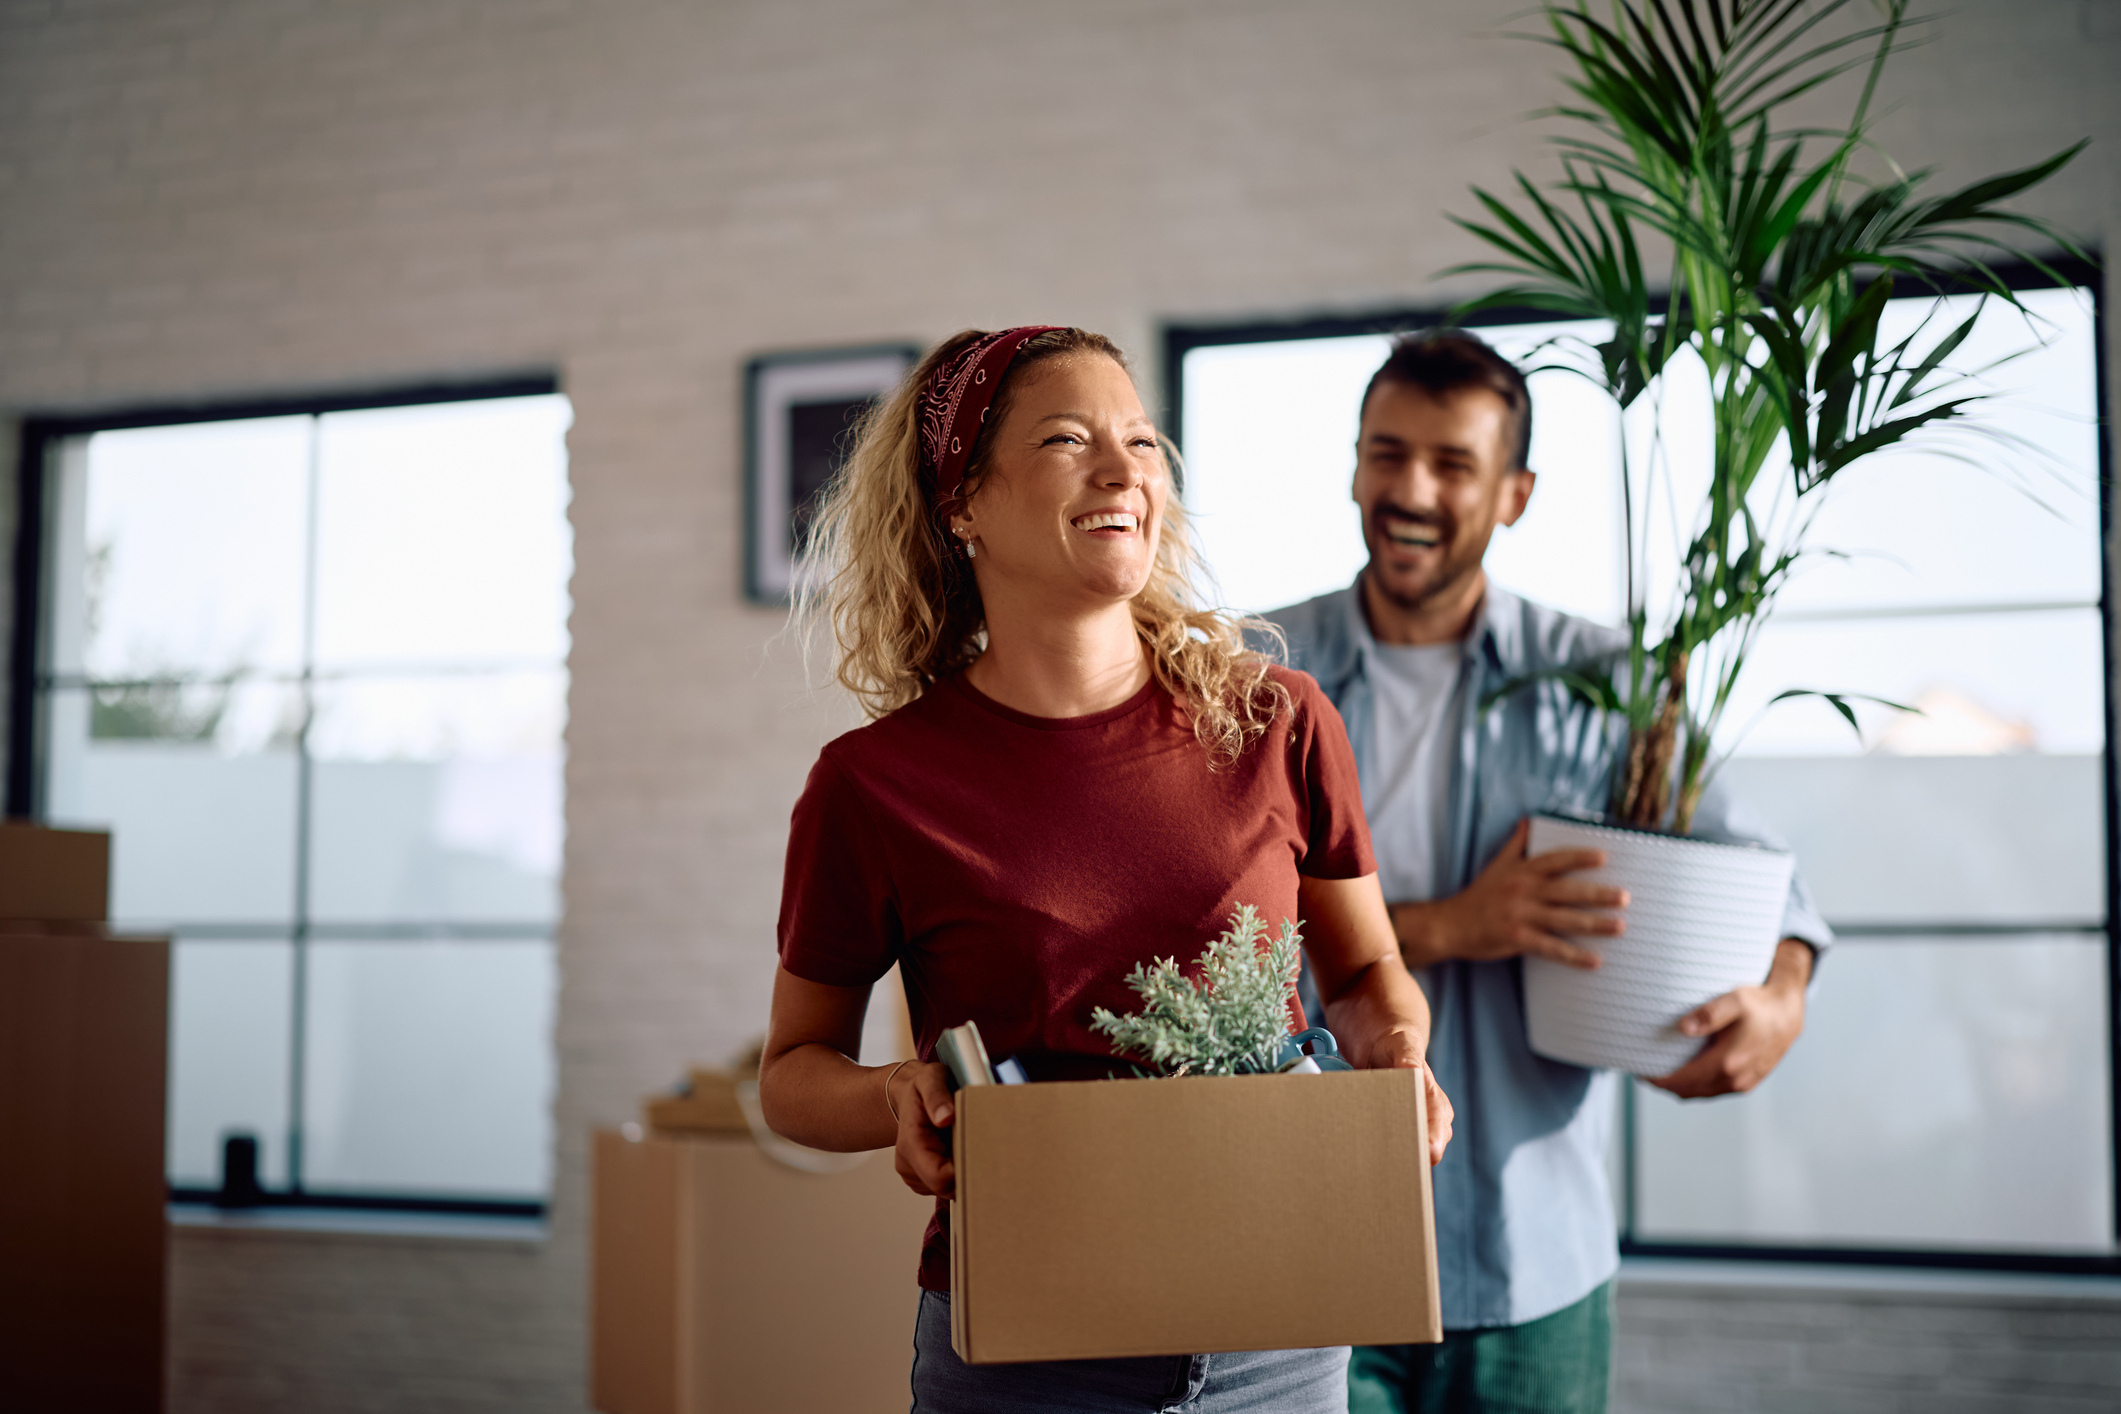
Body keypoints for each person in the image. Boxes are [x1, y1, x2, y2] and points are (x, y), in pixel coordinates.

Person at [758, 325, 1455, 1414]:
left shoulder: (1280, 722)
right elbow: (793, 1071)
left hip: (1279, 1329)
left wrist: (1397, 1057)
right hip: (1024, 1355)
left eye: (1141, 438)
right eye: (1068, 438)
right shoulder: (873, 785)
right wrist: (893, 1093)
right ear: (964, 505)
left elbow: (1365, 978)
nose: (1126, 467)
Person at [1267, 331, 1830, 1414]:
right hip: (1312, 1248)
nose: (1411, 489)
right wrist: (1450, 925)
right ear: (1352, 466)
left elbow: (1765, 878)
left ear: (1516, 493)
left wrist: (1782, 991)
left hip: (1539, 1260)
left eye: (1452, 463)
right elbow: (1204, 934)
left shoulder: (1605, 680)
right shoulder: (1259, 672)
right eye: (1386, 454)